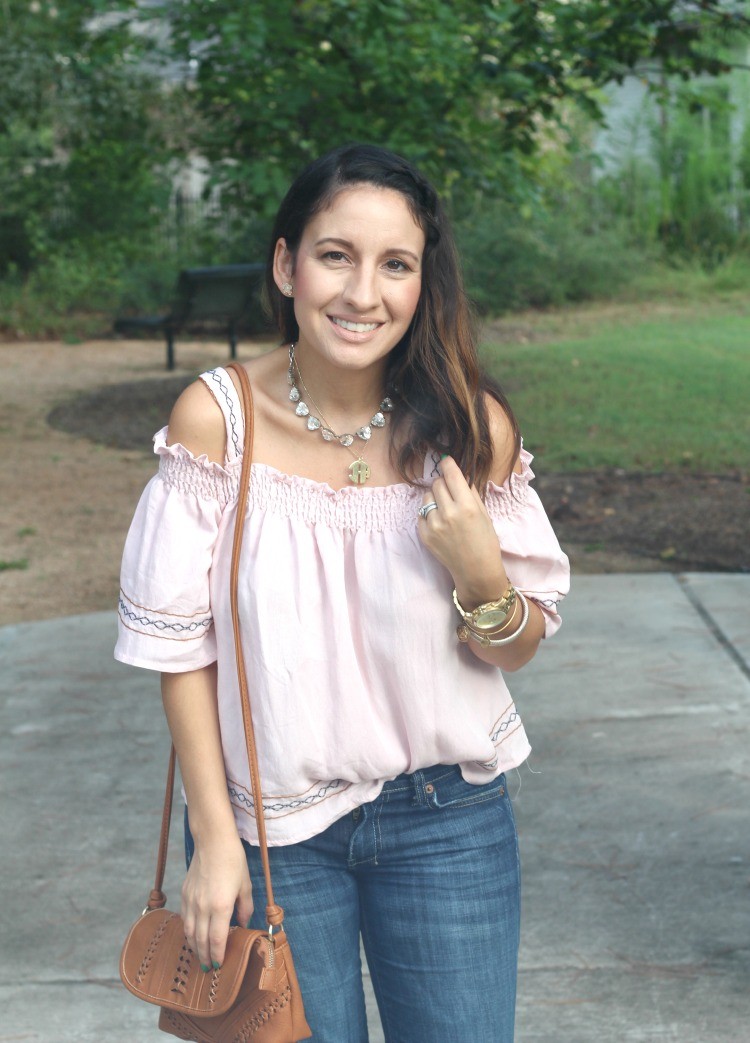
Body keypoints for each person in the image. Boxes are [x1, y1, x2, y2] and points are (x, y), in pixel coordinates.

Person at [115, 143, 570, 1042]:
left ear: (420, 282)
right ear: (287, 265)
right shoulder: (218, 422)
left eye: (394, 264)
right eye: (336, 255)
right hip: (269, 840)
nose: (363, 293)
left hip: (451, 820)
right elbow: (181, 649)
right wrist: (213, 838)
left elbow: (517, 641)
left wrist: (481, 571)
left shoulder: (469, 426)